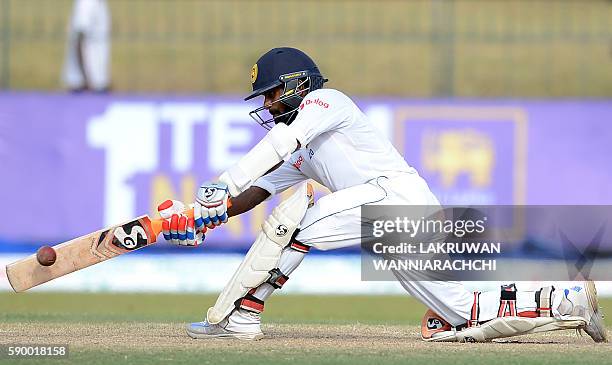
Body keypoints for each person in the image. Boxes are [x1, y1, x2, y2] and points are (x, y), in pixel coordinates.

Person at [157, 47, 607, 343]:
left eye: (273, 94)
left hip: (396, 199)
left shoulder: (327, 102)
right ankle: (568, 299)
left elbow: (274, 150)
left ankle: (243, 316)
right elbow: (254, 192)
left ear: (298, 85)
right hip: (398, 222)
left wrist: (222, 183)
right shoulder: (302, 151)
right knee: (461, 313)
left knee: (300, 220)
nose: (269, 104)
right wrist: (196, 216)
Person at [62, 0, 111, 93]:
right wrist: (87, 80)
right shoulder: (86, 3)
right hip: (84, 87)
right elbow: (78, 41)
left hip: (96, 85)